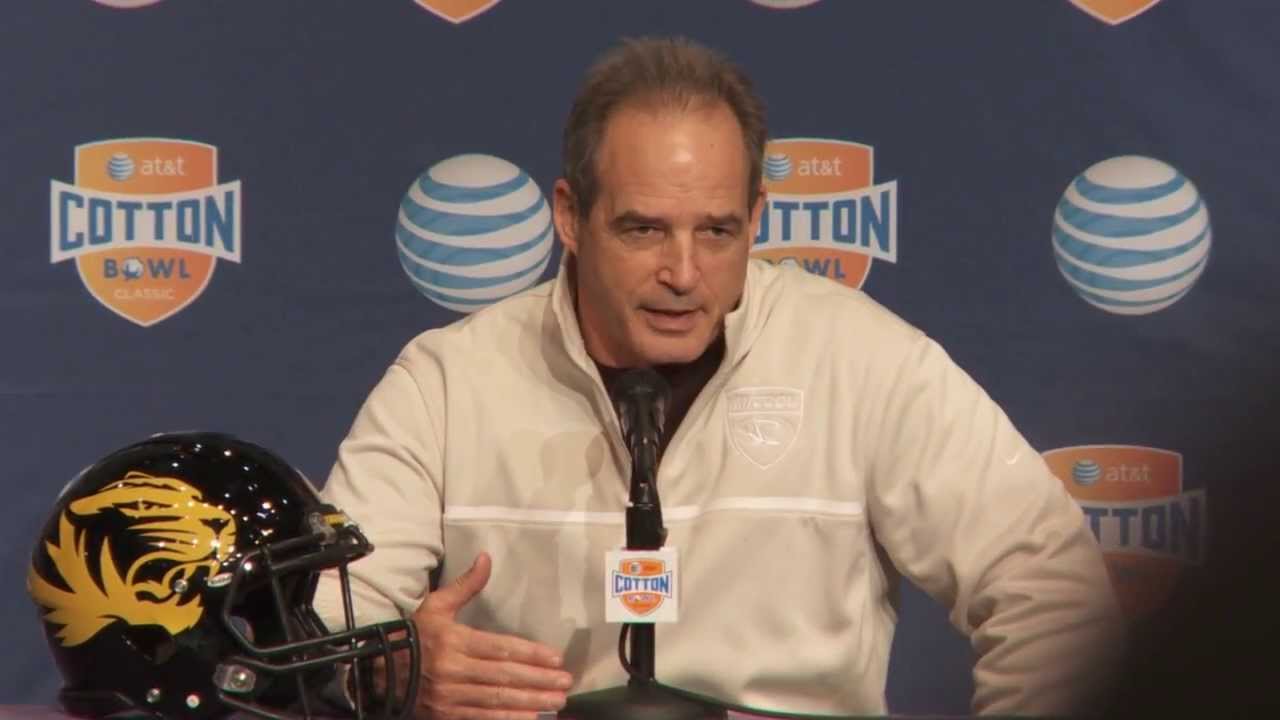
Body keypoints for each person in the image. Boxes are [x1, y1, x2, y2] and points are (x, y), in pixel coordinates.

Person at [315, 36, 1125, 719]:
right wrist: (388, 667)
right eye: (643, 229)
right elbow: (316, 626)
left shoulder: (861, 362)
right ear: (569, 216)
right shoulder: (447, 383)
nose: (683, 272)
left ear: (758, 219)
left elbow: (1047, 582)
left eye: (717, 232)